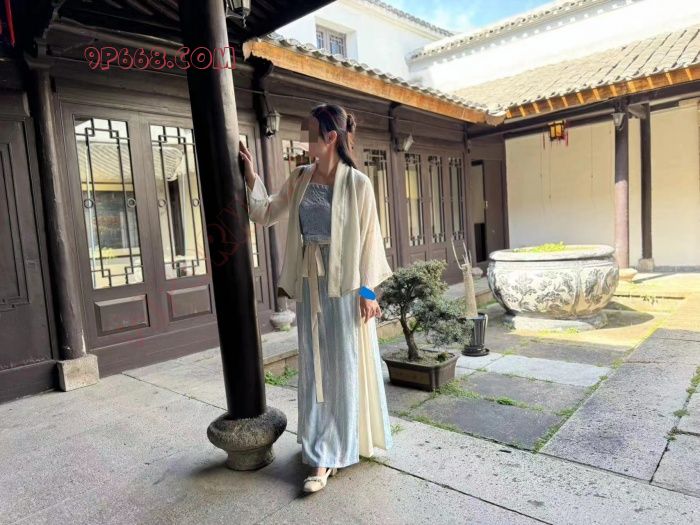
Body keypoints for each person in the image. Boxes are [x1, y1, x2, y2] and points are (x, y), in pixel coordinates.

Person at [240, 103, 394, 494]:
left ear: (331, 137)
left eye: (310, 133)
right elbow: (266, 212)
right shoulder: (300, 177)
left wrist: (367, 291)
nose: (304, 140)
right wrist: (251, 178)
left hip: (344, 287)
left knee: (342, 366)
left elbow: (370, 240)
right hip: (310, 286)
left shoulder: (358, 183)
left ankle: (335, 450)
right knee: (313, 366)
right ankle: (318, 446)